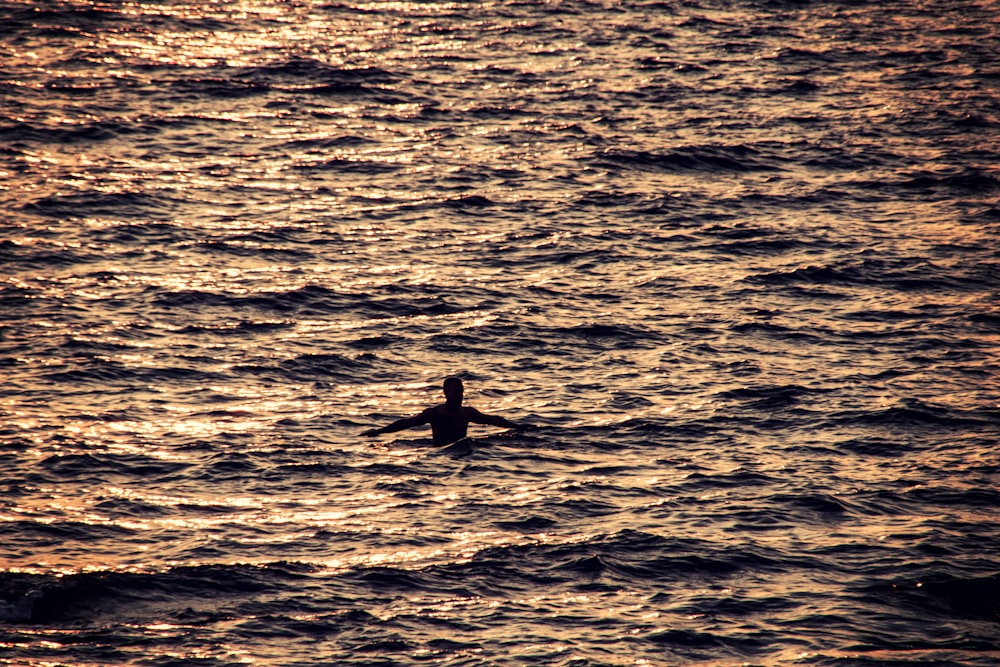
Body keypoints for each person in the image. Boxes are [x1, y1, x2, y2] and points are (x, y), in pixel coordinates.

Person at [361, 377, 525, 445]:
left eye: (461, 391)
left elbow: (493, 420)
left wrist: (518, 427)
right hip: (439, 453)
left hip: (462, 452)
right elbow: (406, 423)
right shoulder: (436, 414)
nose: (459, 395)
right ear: (445, 393)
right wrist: (379, 432)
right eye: (455, 392)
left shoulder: (466, 413)